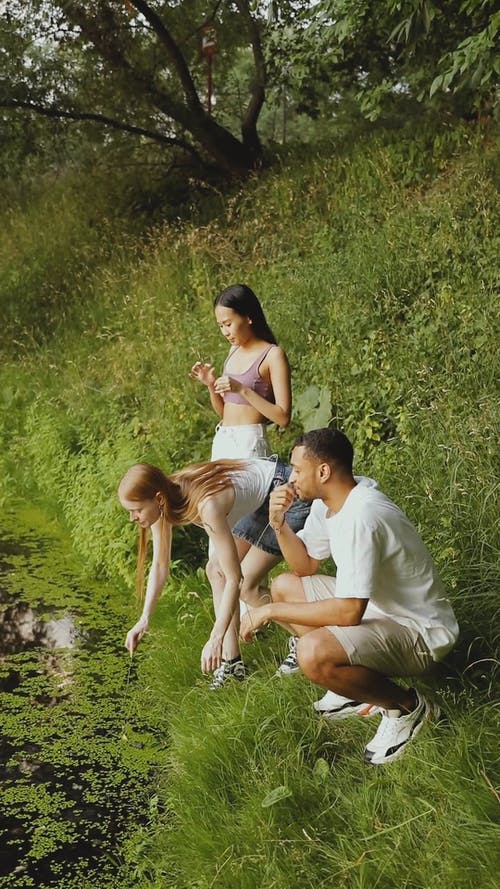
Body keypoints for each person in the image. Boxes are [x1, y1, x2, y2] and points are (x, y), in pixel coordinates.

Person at [240, 428, 459, 765]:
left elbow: (349, 613)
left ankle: (407, 709)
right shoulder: (334, 500)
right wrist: (278, 524)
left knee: (312, 654)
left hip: (419, 633)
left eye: (297, 470)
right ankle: (357, 689)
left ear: (323, 471)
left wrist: (268, 612)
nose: (291, 479)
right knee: (285, 585)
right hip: (379, 610)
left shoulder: (362, 516)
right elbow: (304, 566)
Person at [118, 457, 310, 689]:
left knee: (245, 585)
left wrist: (214, 637)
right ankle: (232, 665)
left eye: (136, 510)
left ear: (157, 498)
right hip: (262, 498)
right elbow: (160, 566)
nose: (132, 518)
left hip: (284, 494)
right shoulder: (165, 500)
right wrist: (144, 619)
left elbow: (235, 578)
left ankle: (306, 640)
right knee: (215, 570)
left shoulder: (206, 506)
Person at [189, 284, 291, 461]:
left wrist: (242, 389)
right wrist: (211, 385)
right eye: (220, 326)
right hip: (223, 439)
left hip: (250, 445)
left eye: (228, 324)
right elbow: (225, 414)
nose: (225, 332)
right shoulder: (233, 351)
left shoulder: (273, 355)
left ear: (248, 317)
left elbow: (283, 418)